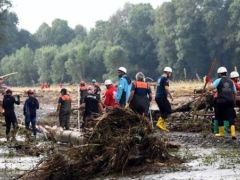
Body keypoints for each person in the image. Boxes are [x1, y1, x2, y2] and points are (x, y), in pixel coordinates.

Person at [206, 67, 237, 139]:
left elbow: (210, 88)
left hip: (221, 102)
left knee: (219, 116)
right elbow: (234, 93)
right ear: (226, 73)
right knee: (231, 117)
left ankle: (221, 133)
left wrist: (208, 82)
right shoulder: (231, 81)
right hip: (230, 101)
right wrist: (233, 101)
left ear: (219, 74)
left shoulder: (218, 80)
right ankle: (233, 133)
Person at [155, 67, 173, 132]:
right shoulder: (165, 79)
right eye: (170, 73)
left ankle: (162, 126)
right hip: (162, 97)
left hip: (157, 97)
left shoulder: (159, 78)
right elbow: (166, 88)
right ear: (168, 72)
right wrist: (171, 96)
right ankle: (159, 123)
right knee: (168, 110)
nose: (170, 75)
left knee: (163, 111)